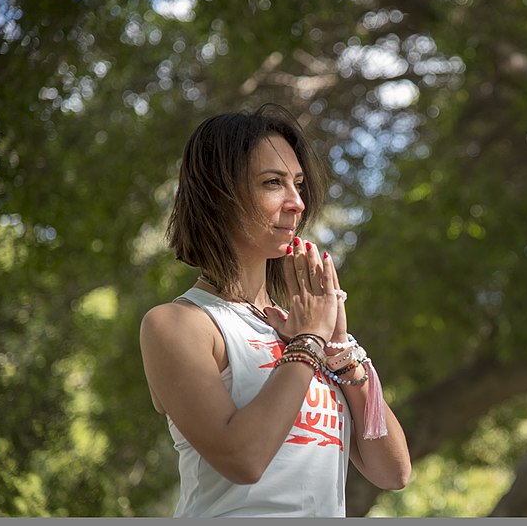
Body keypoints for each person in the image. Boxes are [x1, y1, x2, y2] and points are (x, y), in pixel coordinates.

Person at [139, 104, 411, 517]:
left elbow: (393, 472)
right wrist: (308, 343)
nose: (297, 202)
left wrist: (339, 348)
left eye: (298, 184)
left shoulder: (305, 329)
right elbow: (243, 459)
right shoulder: (179, 324)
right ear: (219, 194)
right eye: (272, 183)